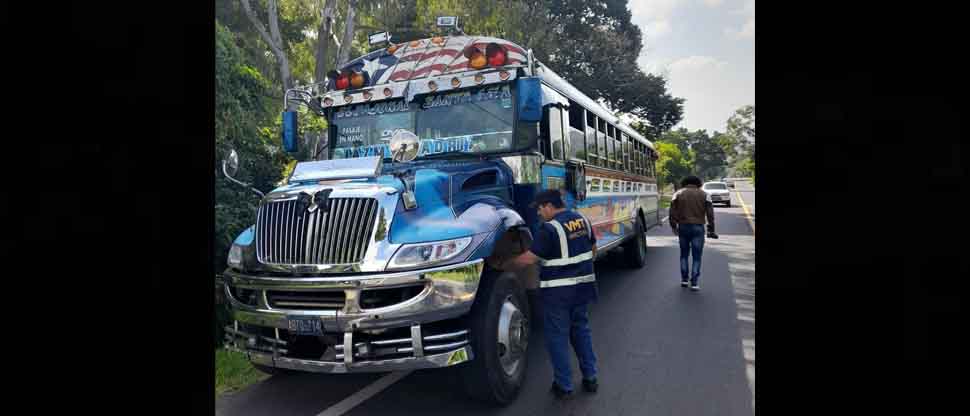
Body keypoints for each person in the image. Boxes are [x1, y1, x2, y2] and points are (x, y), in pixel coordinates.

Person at [503, 189, 599, 399]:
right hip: (583, 289)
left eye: (539, 208)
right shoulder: (582, 219)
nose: (538, 213)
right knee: (581, 333)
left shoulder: (550, 228)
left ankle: (564, 386)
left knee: (557, 339)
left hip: (559, 295)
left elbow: (529, 259)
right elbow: (593, 249)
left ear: (548, 205)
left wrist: (503, 265)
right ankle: (591, 378)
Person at [669, 175, 718, 291]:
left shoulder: (677, 194)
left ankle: (684, 280)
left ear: (684, 182)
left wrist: (674, 226)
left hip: (683, 227)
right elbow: (710, 214)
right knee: (697, 257)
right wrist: (711, 229)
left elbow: (672, 212)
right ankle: (695, 282)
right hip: (698, 228)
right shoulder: (705, 195)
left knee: (684, 255)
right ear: (698, 183)